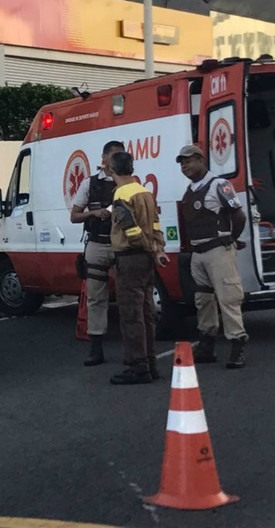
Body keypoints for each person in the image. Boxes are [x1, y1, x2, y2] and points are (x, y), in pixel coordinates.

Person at [176, 144, 249, 368]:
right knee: (203, 300)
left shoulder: (219, 185)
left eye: (188, 161)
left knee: (228, 297)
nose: (184, 166)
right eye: (182, 162)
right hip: (198, 253)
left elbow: (239, 216)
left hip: (218, 250)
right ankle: (207, 344)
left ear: (200, 159)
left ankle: (237, 344)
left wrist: (231, 239)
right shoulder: (189, 190)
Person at [108, 151, 168, 385]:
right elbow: (155, 224)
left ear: (112, 170)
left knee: (131, 314)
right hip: (145, 260)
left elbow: (130, 230)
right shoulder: (144, 191)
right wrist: (157, 248)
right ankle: (150, 363)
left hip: (130, 258)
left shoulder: (121, 194)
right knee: (146, 312)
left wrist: (149, 248)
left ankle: (138, 367)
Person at [70, 140, 125, 366]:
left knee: (128, 296)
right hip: (97, 243)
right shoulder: (89, 184)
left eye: (120, 156)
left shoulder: (127, 183)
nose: (116, 161)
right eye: (113, 156)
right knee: (95, 297)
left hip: (122, 244)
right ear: (104, 159)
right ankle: (96, 347)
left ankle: (133, 349)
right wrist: (94, 214)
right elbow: (74, 216)